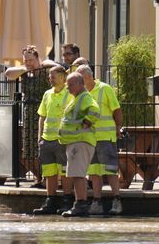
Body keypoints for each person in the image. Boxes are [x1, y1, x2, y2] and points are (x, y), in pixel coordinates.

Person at [78, 64, 124, 215]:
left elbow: (116, 110)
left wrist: (118, 128)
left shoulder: (105, 89)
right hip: (90, 138)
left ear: (88, 76)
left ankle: (116, 201)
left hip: (105, 137)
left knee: (110, 170)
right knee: (94, 172)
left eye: (80, 78)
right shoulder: (81, 93)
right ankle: (97, 202)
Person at [5, 45, 51, 185]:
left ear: (38, 58)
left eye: (31, 60)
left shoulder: (45, 72)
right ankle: (39, 177)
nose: (28, 63)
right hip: (27, 114)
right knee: (27, 152)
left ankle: (46, 179)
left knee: (41, 148)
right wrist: (25, 68)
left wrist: (41, 65)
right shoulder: (24, 73)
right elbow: (8, 73)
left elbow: (55, 66)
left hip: (42, 113)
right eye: (25, 60)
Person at [58, 72, 100, 217]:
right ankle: (79, 203)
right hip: (76, 141)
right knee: (76, 174)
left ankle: (81, 204)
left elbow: (95, 110)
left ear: (79, 84)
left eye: (70, 85)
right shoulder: (78, 98)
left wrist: (86, 122)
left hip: (80, 141)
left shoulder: (85, 97)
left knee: (77, 174)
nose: (68, 88)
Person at [32, 65, 71, 215]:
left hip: (63, 139)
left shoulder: (69, 94)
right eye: (49, 76)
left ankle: (67, 199)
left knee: (65, 170)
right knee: (49, 172)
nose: (50, 78)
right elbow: (42, 117)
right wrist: (40, 138)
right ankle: (51, 200)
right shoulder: (47, 94)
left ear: (62, 77)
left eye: (53, 76)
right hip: (47, 139)